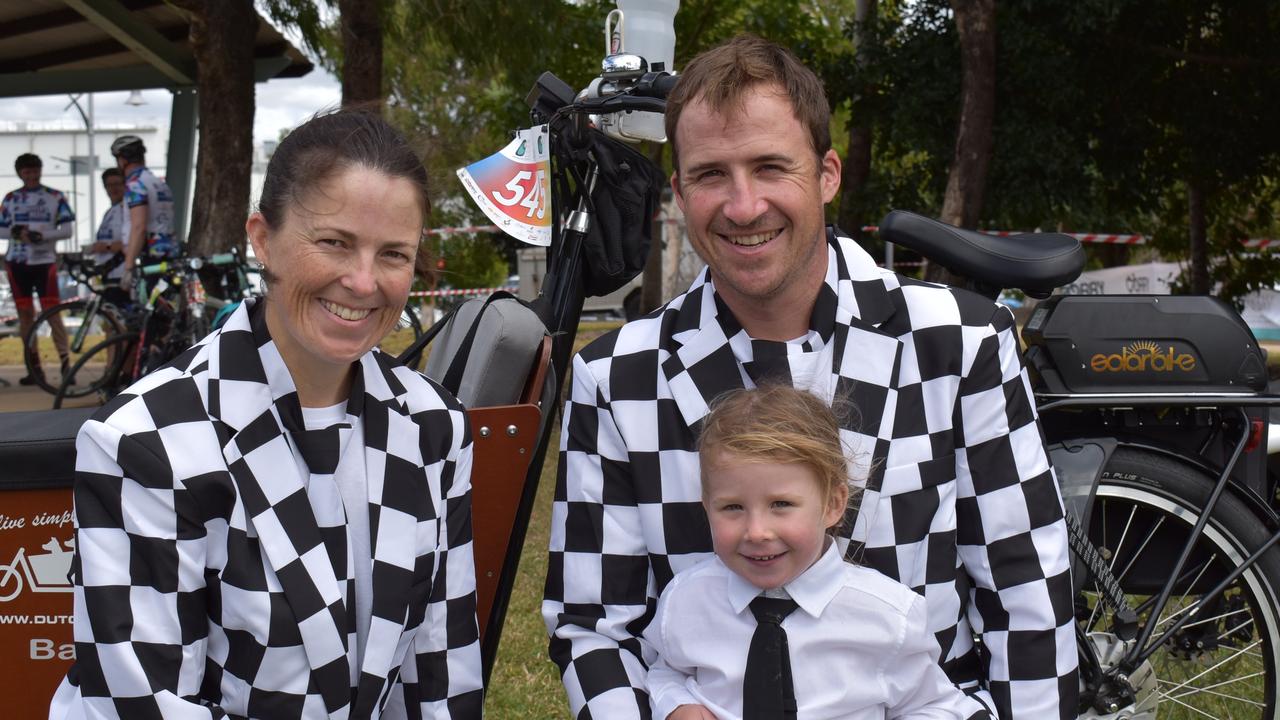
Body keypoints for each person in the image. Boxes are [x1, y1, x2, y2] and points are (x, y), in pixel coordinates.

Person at [543, 34, 1076, 720]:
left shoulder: (958, 343)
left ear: (826, 174)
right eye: (711, 174)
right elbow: (592, 629)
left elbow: (1027, 594)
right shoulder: (615, 378)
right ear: (676, 192)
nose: (743, 206)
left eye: (770, 167)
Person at [49, 110, 484, 719]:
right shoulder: (146, 441)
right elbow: (141, 704)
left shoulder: (435, 425)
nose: (363, 282)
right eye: (333, 242)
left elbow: (442, 666)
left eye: (393, 254)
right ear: (261, 238)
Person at [646, 384, 987, 720]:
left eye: (781, 504)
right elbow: (666, 671)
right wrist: (676, 704)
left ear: (833, 504)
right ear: (707, 506)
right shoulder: (686, 599)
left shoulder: (889, 616)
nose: (757, 532)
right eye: (732, 507)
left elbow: (936, 705)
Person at [0, 152, 74, 385]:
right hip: (18, 263)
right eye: (27, 172)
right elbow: (1, 229)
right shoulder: (11, 198)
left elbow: (67, 230)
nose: (31, 176)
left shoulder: (55, 196)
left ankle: (66, 366)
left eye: (35, 171)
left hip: (45, 262)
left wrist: (42, 235)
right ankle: (34, 368)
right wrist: (16, 233)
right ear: (20, 173)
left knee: (52, 313)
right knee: (25, 316)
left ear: (41, 171)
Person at [109, 134, 176, 292]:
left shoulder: (135, 185)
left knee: (150, 313)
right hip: (168, 254)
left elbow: (139, 226)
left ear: (123, 161)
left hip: (150, 258)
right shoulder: (158, 183)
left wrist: (128, 267)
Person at [87, 167, 130, 307]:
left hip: (123, 275)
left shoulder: (128, 209)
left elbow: (132, 241)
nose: (114, 188)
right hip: (109, 274)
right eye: (109, 185)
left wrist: (107, 247)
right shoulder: (110, 212)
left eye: (117, 184)